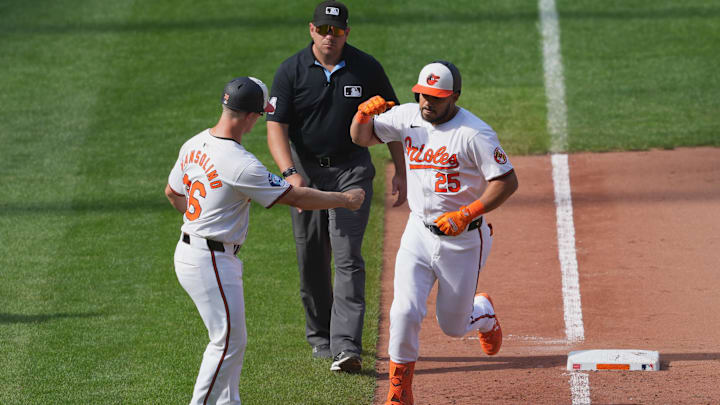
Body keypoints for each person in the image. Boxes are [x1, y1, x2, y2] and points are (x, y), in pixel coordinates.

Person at [164, 76, 365, 405]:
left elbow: (173, 192)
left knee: (233, 340)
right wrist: (343, 199)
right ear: (251, 116)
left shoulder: (194, 143)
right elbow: (295, 196)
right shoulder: (240, 164)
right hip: (210, 260)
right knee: (226, 341)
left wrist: (197, 221)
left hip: (192, 251)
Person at [350, 61, 519, 405]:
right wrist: (361, 116)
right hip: (418, 232)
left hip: (464, 239)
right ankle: (399, 392)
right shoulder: (407, 116)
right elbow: (361, 138)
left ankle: (483, 311)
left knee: (453, 327)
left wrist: (466, 213)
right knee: (404, 311)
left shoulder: (474, 133)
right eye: (423, 95)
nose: (428, 102)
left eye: (437, 97)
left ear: (454, 96)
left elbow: (506, 181)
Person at [265, 0, 406, 372]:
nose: (330, 37)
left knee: (346, 257)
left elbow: (392, 119)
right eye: (323, 30)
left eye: (337, 30)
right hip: (307, 175)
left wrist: (401, 170)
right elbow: (276, 126)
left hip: (351, 172)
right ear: (311, 30)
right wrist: (288, 172)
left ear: (347, 32)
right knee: (311, 256)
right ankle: (320, 338)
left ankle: (347, 347)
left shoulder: (366, 67)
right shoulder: (291, 71)